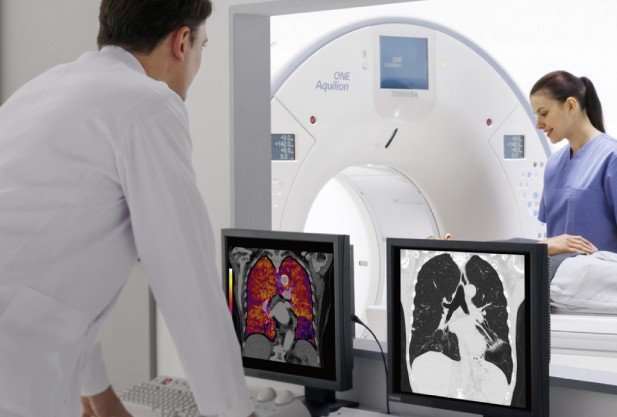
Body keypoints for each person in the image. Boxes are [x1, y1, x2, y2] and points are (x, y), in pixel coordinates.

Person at [0, 1, 254, 417]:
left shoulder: (44, 88)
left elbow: (49, 269)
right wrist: (235, 413)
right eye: (203, 46)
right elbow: (187, 280)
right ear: (182, 42)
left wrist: (101, 396)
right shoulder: (148, 105)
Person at [530, 70, 617, 256]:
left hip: (602, 273)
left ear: (570, 105)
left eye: (544, 113)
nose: (538, 124)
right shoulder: (553, 165)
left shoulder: (611, 157)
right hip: (556, 273)